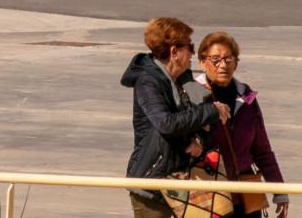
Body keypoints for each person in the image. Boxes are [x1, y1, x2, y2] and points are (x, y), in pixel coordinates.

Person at [123, 17, 227, 218]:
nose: (193, 53)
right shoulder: (147, 82)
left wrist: (197, 139)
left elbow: (203, 123)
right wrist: (212, 111)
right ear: (174, 52)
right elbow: (166, 123)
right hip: (153, 187)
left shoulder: (183, 79)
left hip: (185, 182)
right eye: (190, 46)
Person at [197, 32, 289, 218]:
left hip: (246, 193)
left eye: (228, 59)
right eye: (215, 59)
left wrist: (280, 191)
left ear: (236, 63)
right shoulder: (192, 95)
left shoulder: (246, 97)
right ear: (201, 62)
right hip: (207, 192)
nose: (223, 65)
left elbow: (262, 149)